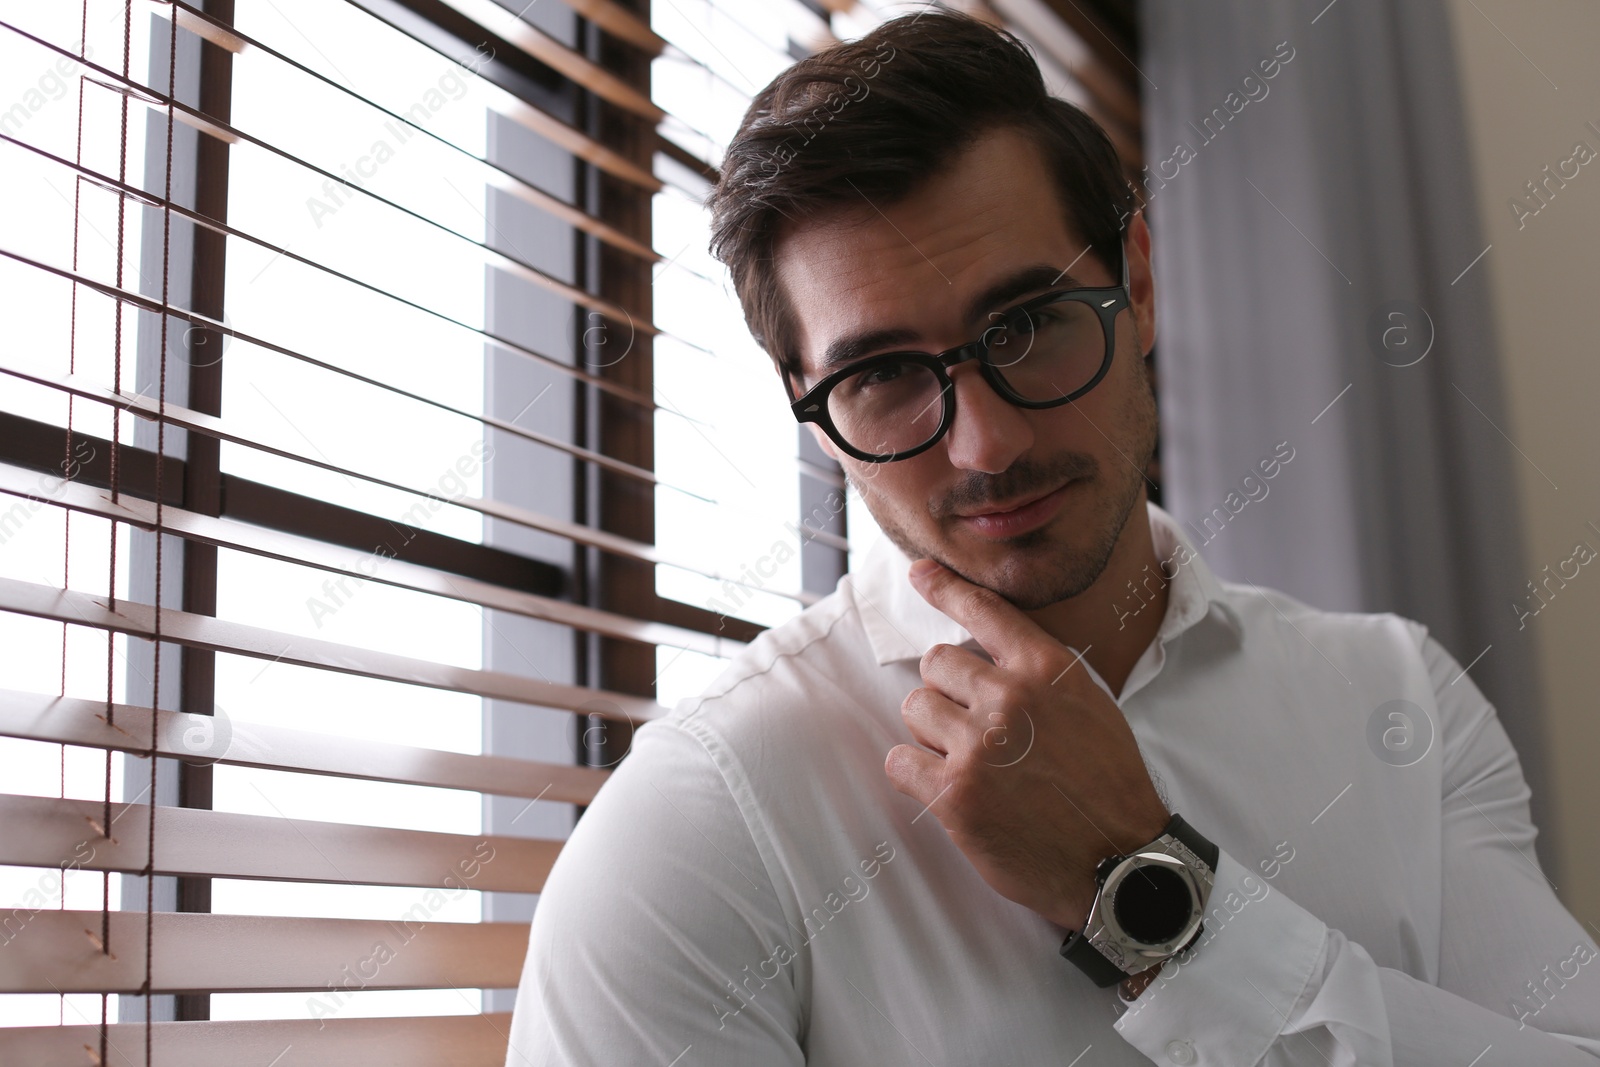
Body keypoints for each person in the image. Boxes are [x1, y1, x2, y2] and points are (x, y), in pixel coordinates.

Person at [505, 12, 1600, 1065]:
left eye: (1025, 326)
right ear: (806, 401)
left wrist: (1145, 893)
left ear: (1139, 279)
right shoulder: (694, 824)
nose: (985, 443)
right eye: (882, 374)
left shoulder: (1398, 695)